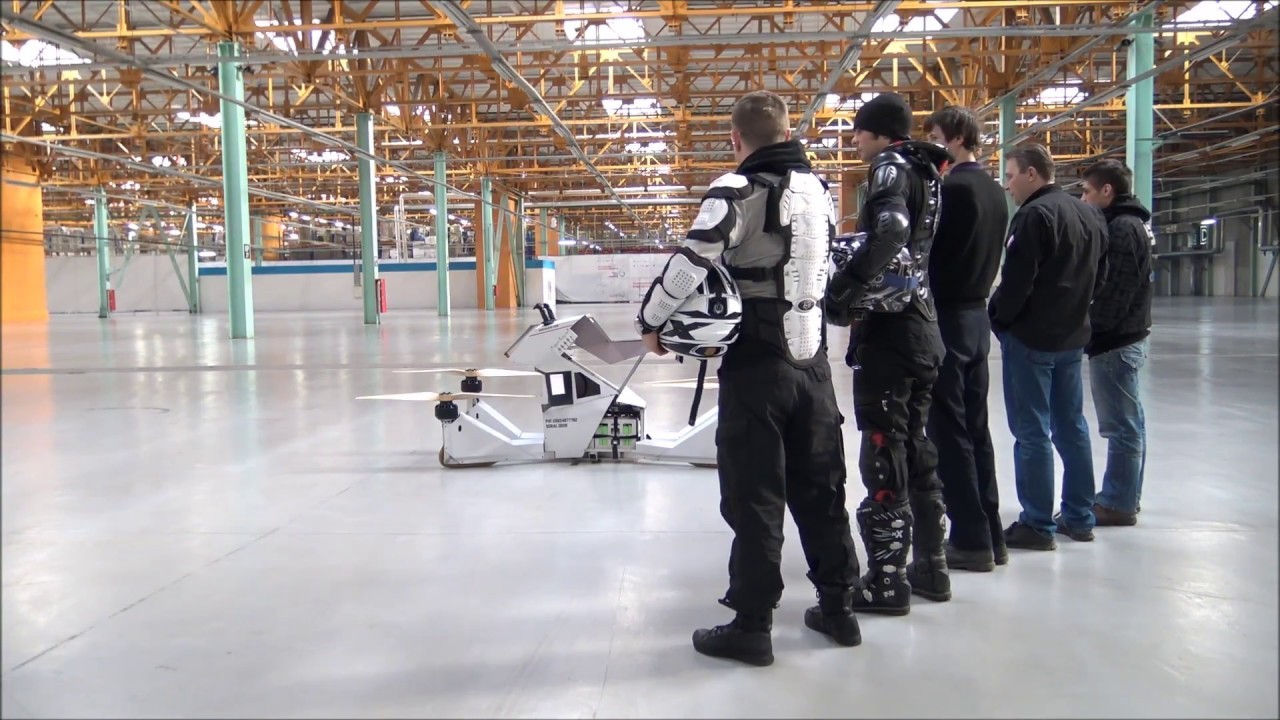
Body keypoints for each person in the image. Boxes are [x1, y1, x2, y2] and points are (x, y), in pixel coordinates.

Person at [635, 89, 862, 666]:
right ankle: (839, 608)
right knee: (823, 486)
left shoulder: (735, 190)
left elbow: (690, 263)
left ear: (736, 138)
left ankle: (752, 625)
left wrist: (651, 321)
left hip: (757, 362)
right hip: (813, 362)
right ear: (786, 131)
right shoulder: (821, 192)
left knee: (755, 493)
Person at [823, 92, 954, 614]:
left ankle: (886, 581)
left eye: (859, 130)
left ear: (878, 132)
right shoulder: (929, 172)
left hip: (892, 332)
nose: (855, 140)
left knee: (883, 449)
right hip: (925, 326)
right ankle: (931, 566)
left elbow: (893, 230)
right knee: (917, 445)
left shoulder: (890, 167)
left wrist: (846, 286)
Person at [990, 143, 1108, 550]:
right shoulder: (1090, 214)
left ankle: (1038, 524)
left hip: (1031, 339)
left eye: (1010, 176)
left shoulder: (1034, 216)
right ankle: (1079, 516)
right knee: (1072, 427)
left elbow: (1016, 282)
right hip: (1072, 337)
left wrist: (1000, 319)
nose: (1008, 185)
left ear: (1032, 174)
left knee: (1032, 432)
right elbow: (1101, 276)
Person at [921, 106, 1010, 572]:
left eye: (937, 136)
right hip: (977, 318)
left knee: (949, 432)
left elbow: (930, 253)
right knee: (977, 430)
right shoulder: (995, 190)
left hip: (949, 317)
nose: (933, 146)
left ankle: (970, 539)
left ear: (955, 139)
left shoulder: (950, 189)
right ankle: (991, 533)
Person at [1079, 159, 1153, 527]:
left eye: (1087, 192)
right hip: (1126, 338)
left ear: (1107, 190)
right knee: (1130, 424)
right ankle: (1125, 496)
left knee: (1121, 427)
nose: (1083, 198)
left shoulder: (1122, 228)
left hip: (1115, 343)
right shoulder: (1131, 223)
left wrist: (1091, 331)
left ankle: (1118, 503)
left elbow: (1115, 292)